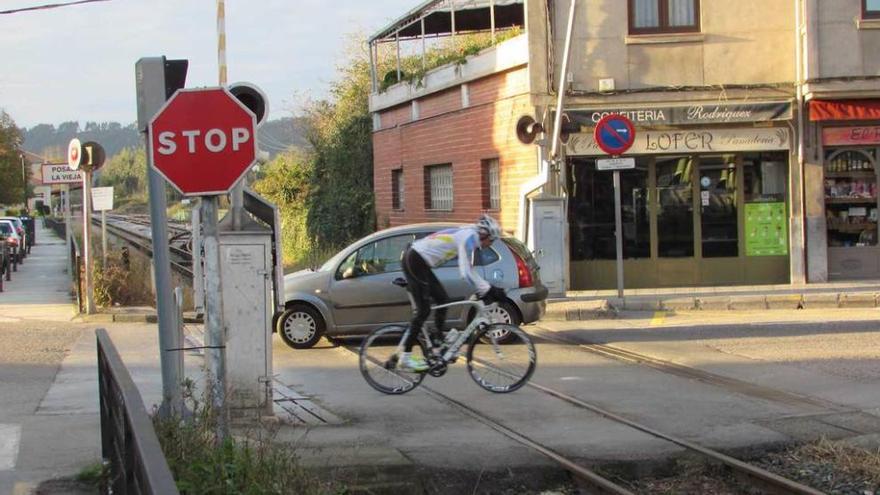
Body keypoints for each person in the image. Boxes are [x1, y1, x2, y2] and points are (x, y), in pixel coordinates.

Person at [398, 214, 507, 372]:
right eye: (492, 240)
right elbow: (466, 273)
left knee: (443, 299)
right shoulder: (469, 238)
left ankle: (437, 340)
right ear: (485, 235)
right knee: (423, 310)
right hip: (415, 259)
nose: (491, 244)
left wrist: (485, 288)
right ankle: (405, 359)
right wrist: (488, 289)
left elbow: (468, 269)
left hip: (420, 260)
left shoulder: (470, 236)